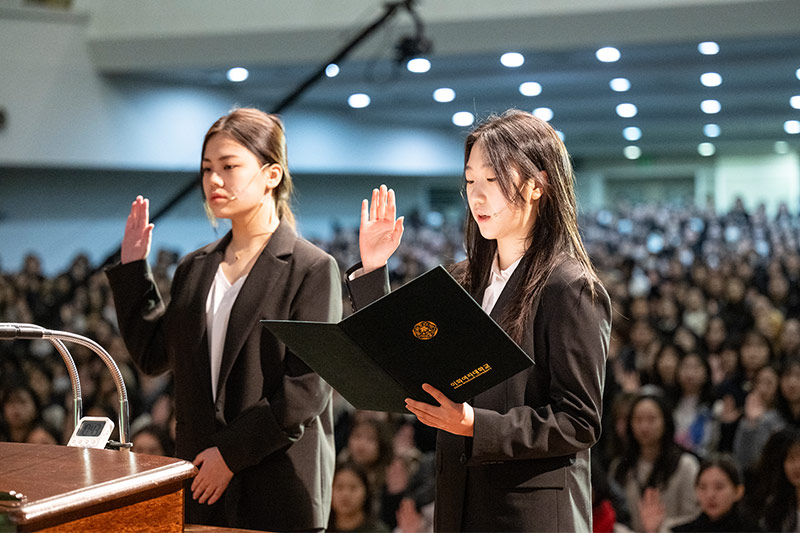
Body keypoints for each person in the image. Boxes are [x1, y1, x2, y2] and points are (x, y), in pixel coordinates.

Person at [346, 110, 612, 531]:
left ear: (536, 185)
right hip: (458, 501)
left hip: (529, 513)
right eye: (471, 181)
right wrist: (374, 269)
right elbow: (402, 358)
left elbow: (579, 421)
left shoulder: (569, 285)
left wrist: (476, 425)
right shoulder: (462, 278)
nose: (477, 195)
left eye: (493, 180)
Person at [105, 108, 341, 531]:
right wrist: (133, 270)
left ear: (271, 175)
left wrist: (230, 454)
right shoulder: (195, 267)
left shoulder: (311, 267)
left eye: (230, 167)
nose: (214, 180)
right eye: (207, 169)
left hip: (277, 484)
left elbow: (307, 389)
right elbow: (153, 353)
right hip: (200, 481)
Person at [610, 392, 700, 532]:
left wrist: (660, 527)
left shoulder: (685, 465)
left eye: (651, 419)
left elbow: (694, 515)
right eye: (638, 420)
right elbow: (614, 513)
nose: (644, 427)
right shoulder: (620, 466)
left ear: (666, 421)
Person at [638, 453, 761, 532]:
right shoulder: (682, 531)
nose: (710, 495)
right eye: (703, 487)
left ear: (738, 491)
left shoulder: (753, 529)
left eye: (719, 487)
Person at [328, 461, 391, 533]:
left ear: (366, 492)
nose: (345, 494)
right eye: (339, 487)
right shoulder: (321, 529)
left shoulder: (379, 531)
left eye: (353, 488)